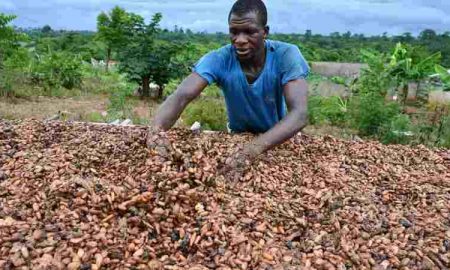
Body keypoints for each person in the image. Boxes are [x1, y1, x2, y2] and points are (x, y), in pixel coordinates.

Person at [147, 0, 310, 179]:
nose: (240, 40)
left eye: (249, 32)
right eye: (234, 32)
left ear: (265, 32)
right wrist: (156, 133)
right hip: (237, 138)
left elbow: (299, 114)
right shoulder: (220, 59)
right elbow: (181, 96)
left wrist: (250, 151)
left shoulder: (286, 55)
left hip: (280, 140)